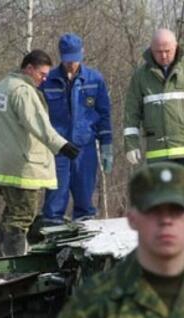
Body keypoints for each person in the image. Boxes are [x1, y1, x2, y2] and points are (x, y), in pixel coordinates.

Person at [38, 161, 184, 318]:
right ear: (133, 219)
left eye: (176, 211)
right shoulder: (94, 302)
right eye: (154, 211)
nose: (166, 221)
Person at [0, 49, 80, 256]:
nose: (44, 79)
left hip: (2, 162)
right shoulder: (23, 91)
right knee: (23, 215)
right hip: (20, 165)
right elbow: (38, 124)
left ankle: (2, 263)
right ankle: (13, 265)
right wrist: (62, 146)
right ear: (29, 68)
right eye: (41, 74)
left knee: (12, 213)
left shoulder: (3, 85)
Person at [40, 33, 113, 225]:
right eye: (67, 59)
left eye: (74, 58)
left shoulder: (95, 79)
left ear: (82, 53)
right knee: (55, 200)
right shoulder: (48, 81)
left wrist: (107, 145)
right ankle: (51, 242)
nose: (71, 64)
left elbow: (104, 114)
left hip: (85, 148)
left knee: (85, 200)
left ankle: (85, 244)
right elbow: (39, 117)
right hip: (58, 149)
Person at [125, 28, 184, 165]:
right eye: (159, 51)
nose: (163, 56)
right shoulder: (141, 76)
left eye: (167, 51)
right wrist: (131, 144)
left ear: (175, 47)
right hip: (158, 154)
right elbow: (131, 113)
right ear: (151, 49)